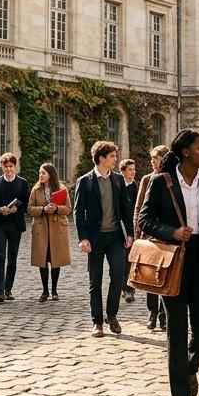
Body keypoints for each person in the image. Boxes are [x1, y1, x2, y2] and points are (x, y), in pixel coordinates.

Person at [138, 129, 199, 396]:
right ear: (186, 152)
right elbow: (145, 220)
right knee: (176, 330)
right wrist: (173, 232)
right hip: (172, 260)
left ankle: (189, 367)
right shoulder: (160, 182)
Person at [75, 141, 133, 337]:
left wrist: (130, 233)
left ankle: (112, 314)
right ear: (101, 158)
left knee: (119, 273)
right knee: (95, 281)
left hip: (115, 236)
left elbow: (126, 209)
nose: (115, 159)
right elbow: (78, 212)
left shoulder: (117, 180)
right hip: (95, 238)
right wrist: (83, 238)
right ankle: (97, 322)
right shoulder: (85, 181)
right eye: (112, 156)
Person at [134, 145, 171, 331]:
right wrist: (137, 234)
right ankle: (152, 312)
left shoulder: (171, 179)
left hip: (166, 235)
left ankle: (165, 315)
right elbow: (139, 207)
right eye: (152, 159)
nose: (153, 162)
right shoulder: (147, 179)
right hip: (149, 234)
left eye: (156, 158)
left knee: (165, 275)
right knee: (149, 275)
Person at [0, 154, 30, 304]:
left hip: (15, 225)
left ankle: (8, 289)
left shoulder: (22, 183)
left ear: (15, 167)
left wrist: (16, 209)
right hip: (0, 224)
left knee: (12, 259)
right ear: (2, 167)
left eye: (11, 166)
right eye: (6, 166)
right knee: (0, 257)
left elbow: (26, 203)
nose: (8, 169)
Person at [28, 163, 72, 302]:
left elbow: (68, 208)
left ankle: (54, 290)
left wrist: (56, 208)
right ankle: (45, 290)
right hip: (41, 228)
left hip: (56, 228)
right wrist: (43, 209)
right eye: (40, 173)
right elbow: (29, 209)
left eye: (43, 173)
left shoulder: (61, 188)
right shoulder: (36, 189)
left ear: (50, 175)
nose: (40, 175)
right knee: (42, 260)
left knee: (55, 259)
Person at [120, 159, 139, 305]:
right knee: (119, 260)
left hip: (131, 226)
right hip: (117, 226)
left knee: (129, 259)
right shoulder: (117, 184)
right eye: (130, 169)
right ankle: (121, 286)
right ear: (123, 171)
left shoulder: (135, 187)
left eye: (134, 169)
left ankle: (129, 289)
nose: (133, 172)